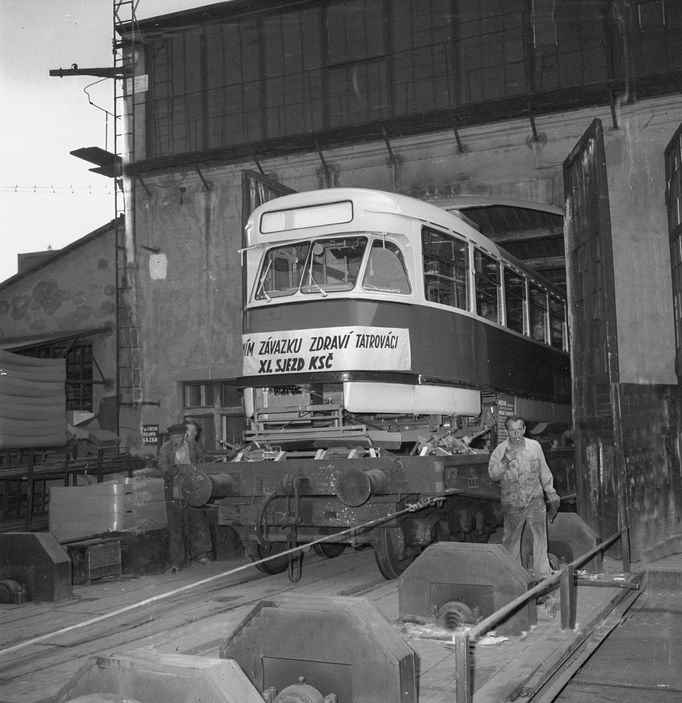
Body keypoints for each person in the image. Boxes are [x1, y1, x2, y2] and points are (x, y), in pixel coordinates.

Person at [488, 415, 560, 580]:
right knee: (511, 542)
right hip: (512, 503)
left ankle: (543, 575)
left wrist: (550, 491)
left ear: (525, 429)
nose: (516, 434)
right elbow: (493, 475)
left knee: (541, 538)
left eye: (519, 429)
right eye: (512, 430)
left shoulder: (535, 447)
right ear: (507, 431)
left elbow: (543, 469)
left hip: (535, 500)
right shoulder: (500, 451)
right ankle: (515, 577)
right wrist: (504, 462)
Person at [158, 422, 213, 573]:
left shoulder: (192, 445)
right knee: (175, 527)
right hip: (174, 490)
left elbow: (203, 460)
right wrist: (172, 470)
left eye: (178, 436)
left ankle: (201, 555)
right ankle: (177, 561)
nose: (175, 439)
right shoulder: (165, 448)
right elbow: (161, 466)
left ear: (184, 435)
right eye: (173, 436)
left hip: (193, 487)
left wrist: (198, 470)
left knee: (197, 521)